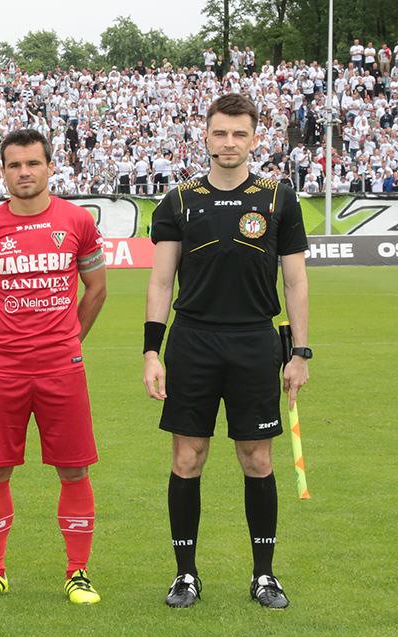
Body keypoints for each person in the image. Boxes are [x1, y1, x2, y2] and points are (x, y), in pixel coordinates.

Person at [143, 93, 310, 610]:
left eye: (239, 134)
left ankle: (264, 575)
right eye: (220, 133)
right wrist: (152, 352)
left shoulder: (279, 198)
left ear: (254, 139)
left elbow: (295, 282)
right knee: (187, 457)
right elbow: (161, 281)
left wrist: (300, 352)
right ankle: (185, 575)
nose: (229, 142)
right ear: (207, 136)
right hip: (192, 342)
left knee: (256, 458)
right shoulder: (178, 201)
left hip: (255, 342)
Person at [0, 129, 107, 605]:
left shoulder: (78, 220)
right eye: (15, 165)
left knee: (74, 470)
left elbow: (97, 288)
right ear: (3, 171)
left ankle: (78, 572)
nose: (24, 172)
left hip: (62, 367)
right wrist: (1, 335)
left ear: (49, 167)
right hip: (2, 368)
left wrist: (70, 339)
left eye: (33, 163)